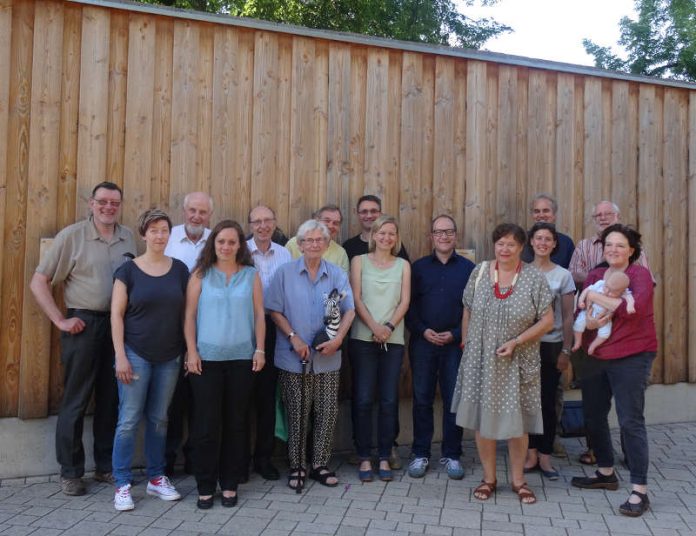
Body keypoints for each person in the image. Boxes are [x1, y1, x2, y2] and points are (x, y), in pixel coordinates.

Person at [30, 182, 136, 496]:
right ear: (91, 203)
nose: (108, 207)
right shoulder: (72, 236)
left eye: (114, 202)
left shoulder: (128, 237)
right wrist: (60, 320)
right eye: (102, 201)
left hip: (118, 327)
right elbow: (40, 281)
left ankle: (105, 467)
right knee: (75, 401)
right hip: (83, 324)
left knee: (110, 399)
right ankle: (71, 472)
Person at [452, 223, 553, 504]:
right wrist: (467, 343)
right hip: (481, 360)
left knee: (517, 425)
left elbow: (547, 321)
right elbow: (467, 309)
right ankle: (489, 479)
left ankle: (519, 481)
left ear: (522, 247)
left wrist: (517, 341)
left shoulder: (533, 278)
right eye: (500, 244)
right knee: (483, 423)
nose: (504, 249)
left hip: (518, 360)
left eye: (511, 244)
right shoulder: (481, 271)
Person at [570, 224, 657, 517]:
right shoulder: (595, 274)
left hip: (632, 354)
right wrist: (590, 313)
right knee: (593, 416)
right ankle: (605, 472)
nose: (613, 250)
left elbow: (635, 309)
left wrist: (596, 300)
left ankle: (639, 491)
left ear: (631, 250)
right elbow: (582, 310)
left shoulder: (639, 275)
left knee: (630, 420)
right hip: (595, 355)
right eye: (609, 245)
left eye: (620, 245)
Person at [265, 220, 355, 490]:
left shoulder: (337, 274)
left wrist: (338, 339)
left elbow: (348, 309)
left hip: (328, 358)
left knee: (327, 413)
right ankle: (297, 465)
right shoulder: (285, 273)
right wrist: (293, 337)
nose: (314, 244)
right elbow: (274, 310)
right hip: (294, 357)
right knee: (297, 414)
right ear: (300, 244)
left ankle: (319, 464)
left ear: (327, 245)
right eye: (309, 240)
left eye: (320, 240)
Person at [110, 209, 189, 511]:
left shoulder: (180, 270)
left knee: (159, 420)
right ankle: (122, 483)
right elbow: (117, 315)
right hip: (135, 354)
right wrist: (120, 356)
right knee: (128, 420)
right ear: (143, 234)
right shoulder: (128, 271)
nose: (159, 236)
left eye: (164, 230)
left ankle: (157, 478)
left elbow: (186, 315)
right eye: (153, 230)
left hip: (169, 356)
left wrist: (186, 350)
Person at [184, 220, 266, 509]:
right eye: (221, 241)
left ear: (239, 246)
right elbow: (189, 316)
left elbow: (259, 315)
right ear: (213, 244)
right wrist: (191, 352)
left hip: (243, 360)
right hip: (206, 361)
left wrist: (260, 350)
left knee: (237, 424)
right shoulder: (200, 274)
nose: (226, 246)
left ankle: (230, 483)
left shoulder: (251, 275)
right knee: (206, 426)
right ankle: (205, 485)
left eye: (232, 242)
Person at [405, 215, 474, 480]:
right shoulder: (418, 268)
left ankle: (452, 454)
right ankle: (421, 453)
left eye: (448, 232)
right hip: (423, 343)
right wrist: (423, 330)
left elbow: (474, 310)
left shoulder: (469, 269)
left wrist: (456, 333)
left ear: (455, 235)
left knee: (452, 400)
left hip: (455, 345)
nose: (443, 237)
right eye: (438, 232)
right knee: (422, 399)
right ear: (431, 236)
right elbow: (408, 307)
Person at [349, 215, 411, 483]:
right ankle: (364, 456)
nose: (386, 238)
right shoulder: (359, 261)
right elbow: (356, 297)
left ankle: (384, 455)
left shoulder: (403, 265)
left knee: (388, 400)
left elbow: (405, 300)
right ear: (373, 235)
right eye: (382, 233)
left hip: (392, 340)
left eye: (391, 234)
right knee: (363, 399)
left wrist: (387, 327)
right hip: (363, 338)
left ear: (396, 238)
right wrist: (374, 326)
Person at [164, 191, 213, 476]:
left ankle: (195, 459)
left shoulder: (216, 241)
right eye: (192, 210)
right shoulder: (167, 237)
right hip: (171, 329)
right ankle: (167, 462)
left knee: (200, 400)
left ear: (209, 216)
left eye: (203, 213)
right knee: (172, 399)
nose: (197, 216)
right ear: (184, 211)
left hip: (206, 330)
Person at [523, 223, 575, 480]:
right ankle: (530, 453)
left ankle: (545, 457)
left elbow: (567, 316)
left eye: (548, 239)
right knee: (526, 403)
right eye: (538, 238)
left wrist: (566, 349)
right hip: (524, 345)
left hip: (551, 345)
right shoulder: (521, 271)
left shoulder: (563, 276)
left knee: (547, 403)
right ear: (530, 242)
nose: (542, 243)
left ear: (555, 244)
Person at [245, 205, 292, 481]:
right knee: (240, 398)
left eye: (267, 221)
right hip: (243, 328)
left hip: (275, 329)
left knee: (266, 398)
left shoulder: (285, 253)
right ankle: (238, 460)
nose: (262, 226)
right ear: (250, 225)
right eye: (257, 221)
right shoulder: (240, 251)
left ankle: (263, 458)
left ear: (274, 223)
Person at [569, 200, 651, 286]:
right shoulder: (583, 246)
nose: (603, 218)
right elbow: (572, 275)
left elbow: (647, 279)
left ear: (618, 217)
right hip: (592, 295)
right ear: (594, 220)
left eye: (608, 214)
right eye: (598, 215)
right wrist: (602, 278)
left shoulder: (632, 243)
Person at [572, 272, 635, 354]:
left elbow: (630, 298)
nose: (607, 292)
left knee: (605, 334)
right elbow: (587, 290)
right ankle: (578, 341)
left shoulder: (624, 292)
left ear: (621, 292)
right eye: (606, 287)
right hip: (591, 310)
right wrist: (580, 301)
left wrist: (630, 305)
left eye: (612, 292)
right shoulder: (600, 284)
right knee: (578, 324)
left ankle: (593, 345)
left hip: (606, 318)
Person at [343, 195, 409, 261]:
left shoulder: (391, 243)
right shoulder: (349, 246)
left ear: (380, 214)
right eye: (364, 211)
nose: (369, 216)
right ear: (357, 214)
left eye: (373, 211)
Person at [285, 205, 350, 272]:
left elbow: (343, 281)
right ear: (316, 220)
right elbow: (285, 274)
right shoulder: (293, 244)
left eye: (335, 223)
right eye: (327, 220)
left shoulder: (341, 253)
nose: (330, 226)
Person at [521, 194, 575, 268]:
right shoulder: (521, 239)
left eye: (546, 211)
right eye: (537, 211)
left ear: (554, 214)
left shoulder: (566, 242)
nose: (541, 215)